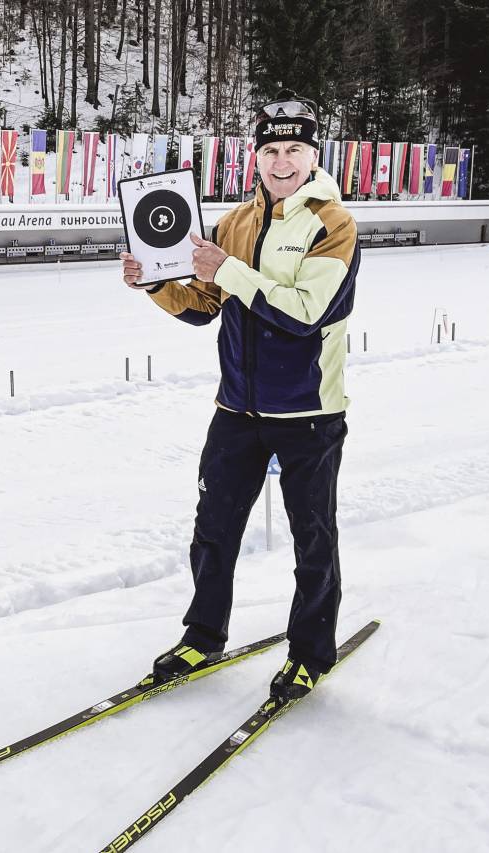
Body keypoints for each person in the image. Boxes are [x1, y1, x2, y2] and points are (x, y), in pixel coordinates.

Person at [120, 90, 359, 703]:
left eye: (295, 151)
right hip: (237, 409)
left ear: (313, 156)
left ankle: (309, 654)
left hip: (309, 411)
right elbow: (205, 308)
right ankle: (202, 637)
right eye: (272, 150)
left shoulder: (332, 222)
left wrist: (224, 267)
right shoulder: (235, 220)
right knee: (214, 531)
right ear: (256, 158)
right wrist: (156, 283)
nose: (282, 162)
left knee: (313, 539)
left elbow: (306, 313)